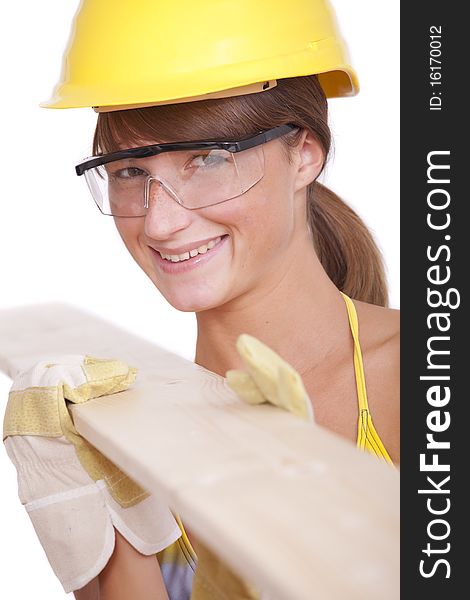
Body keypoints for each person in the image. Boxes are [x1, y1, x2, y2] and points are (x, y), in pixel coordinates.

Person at [4, 0, 399, 598]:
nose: (159, 223)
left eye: (207, 160)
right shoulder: (131, 435)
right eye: (129, 170)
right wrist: (92, 511)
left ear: (305, 155)